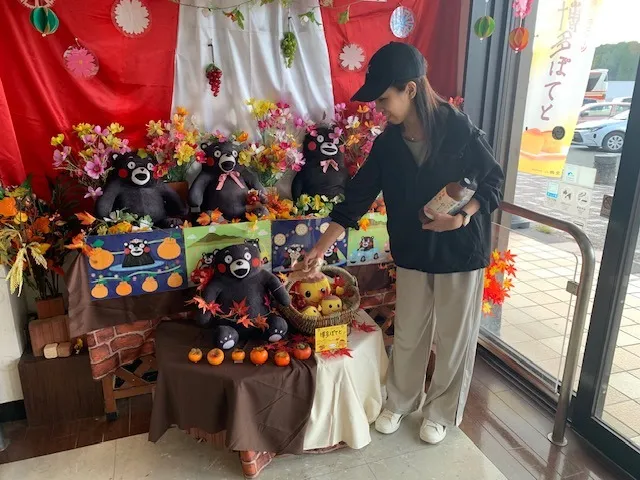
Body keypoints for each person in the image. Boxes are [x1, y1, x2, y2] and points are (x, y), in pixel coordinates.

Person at [293, 42, 504, 444]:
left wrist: (462, 216)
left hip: (460, 250)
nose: (380, 109)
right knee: (407, 333)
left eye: (384, 99)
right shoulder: (388, 144)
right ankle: (401, 401)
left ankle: (441, 412)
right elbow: (356, 199)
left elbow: (493, 180)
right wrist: (320, 248)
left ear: (410, 89)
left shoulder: (459, 129)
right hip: (411, 249)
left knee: (454, 338)